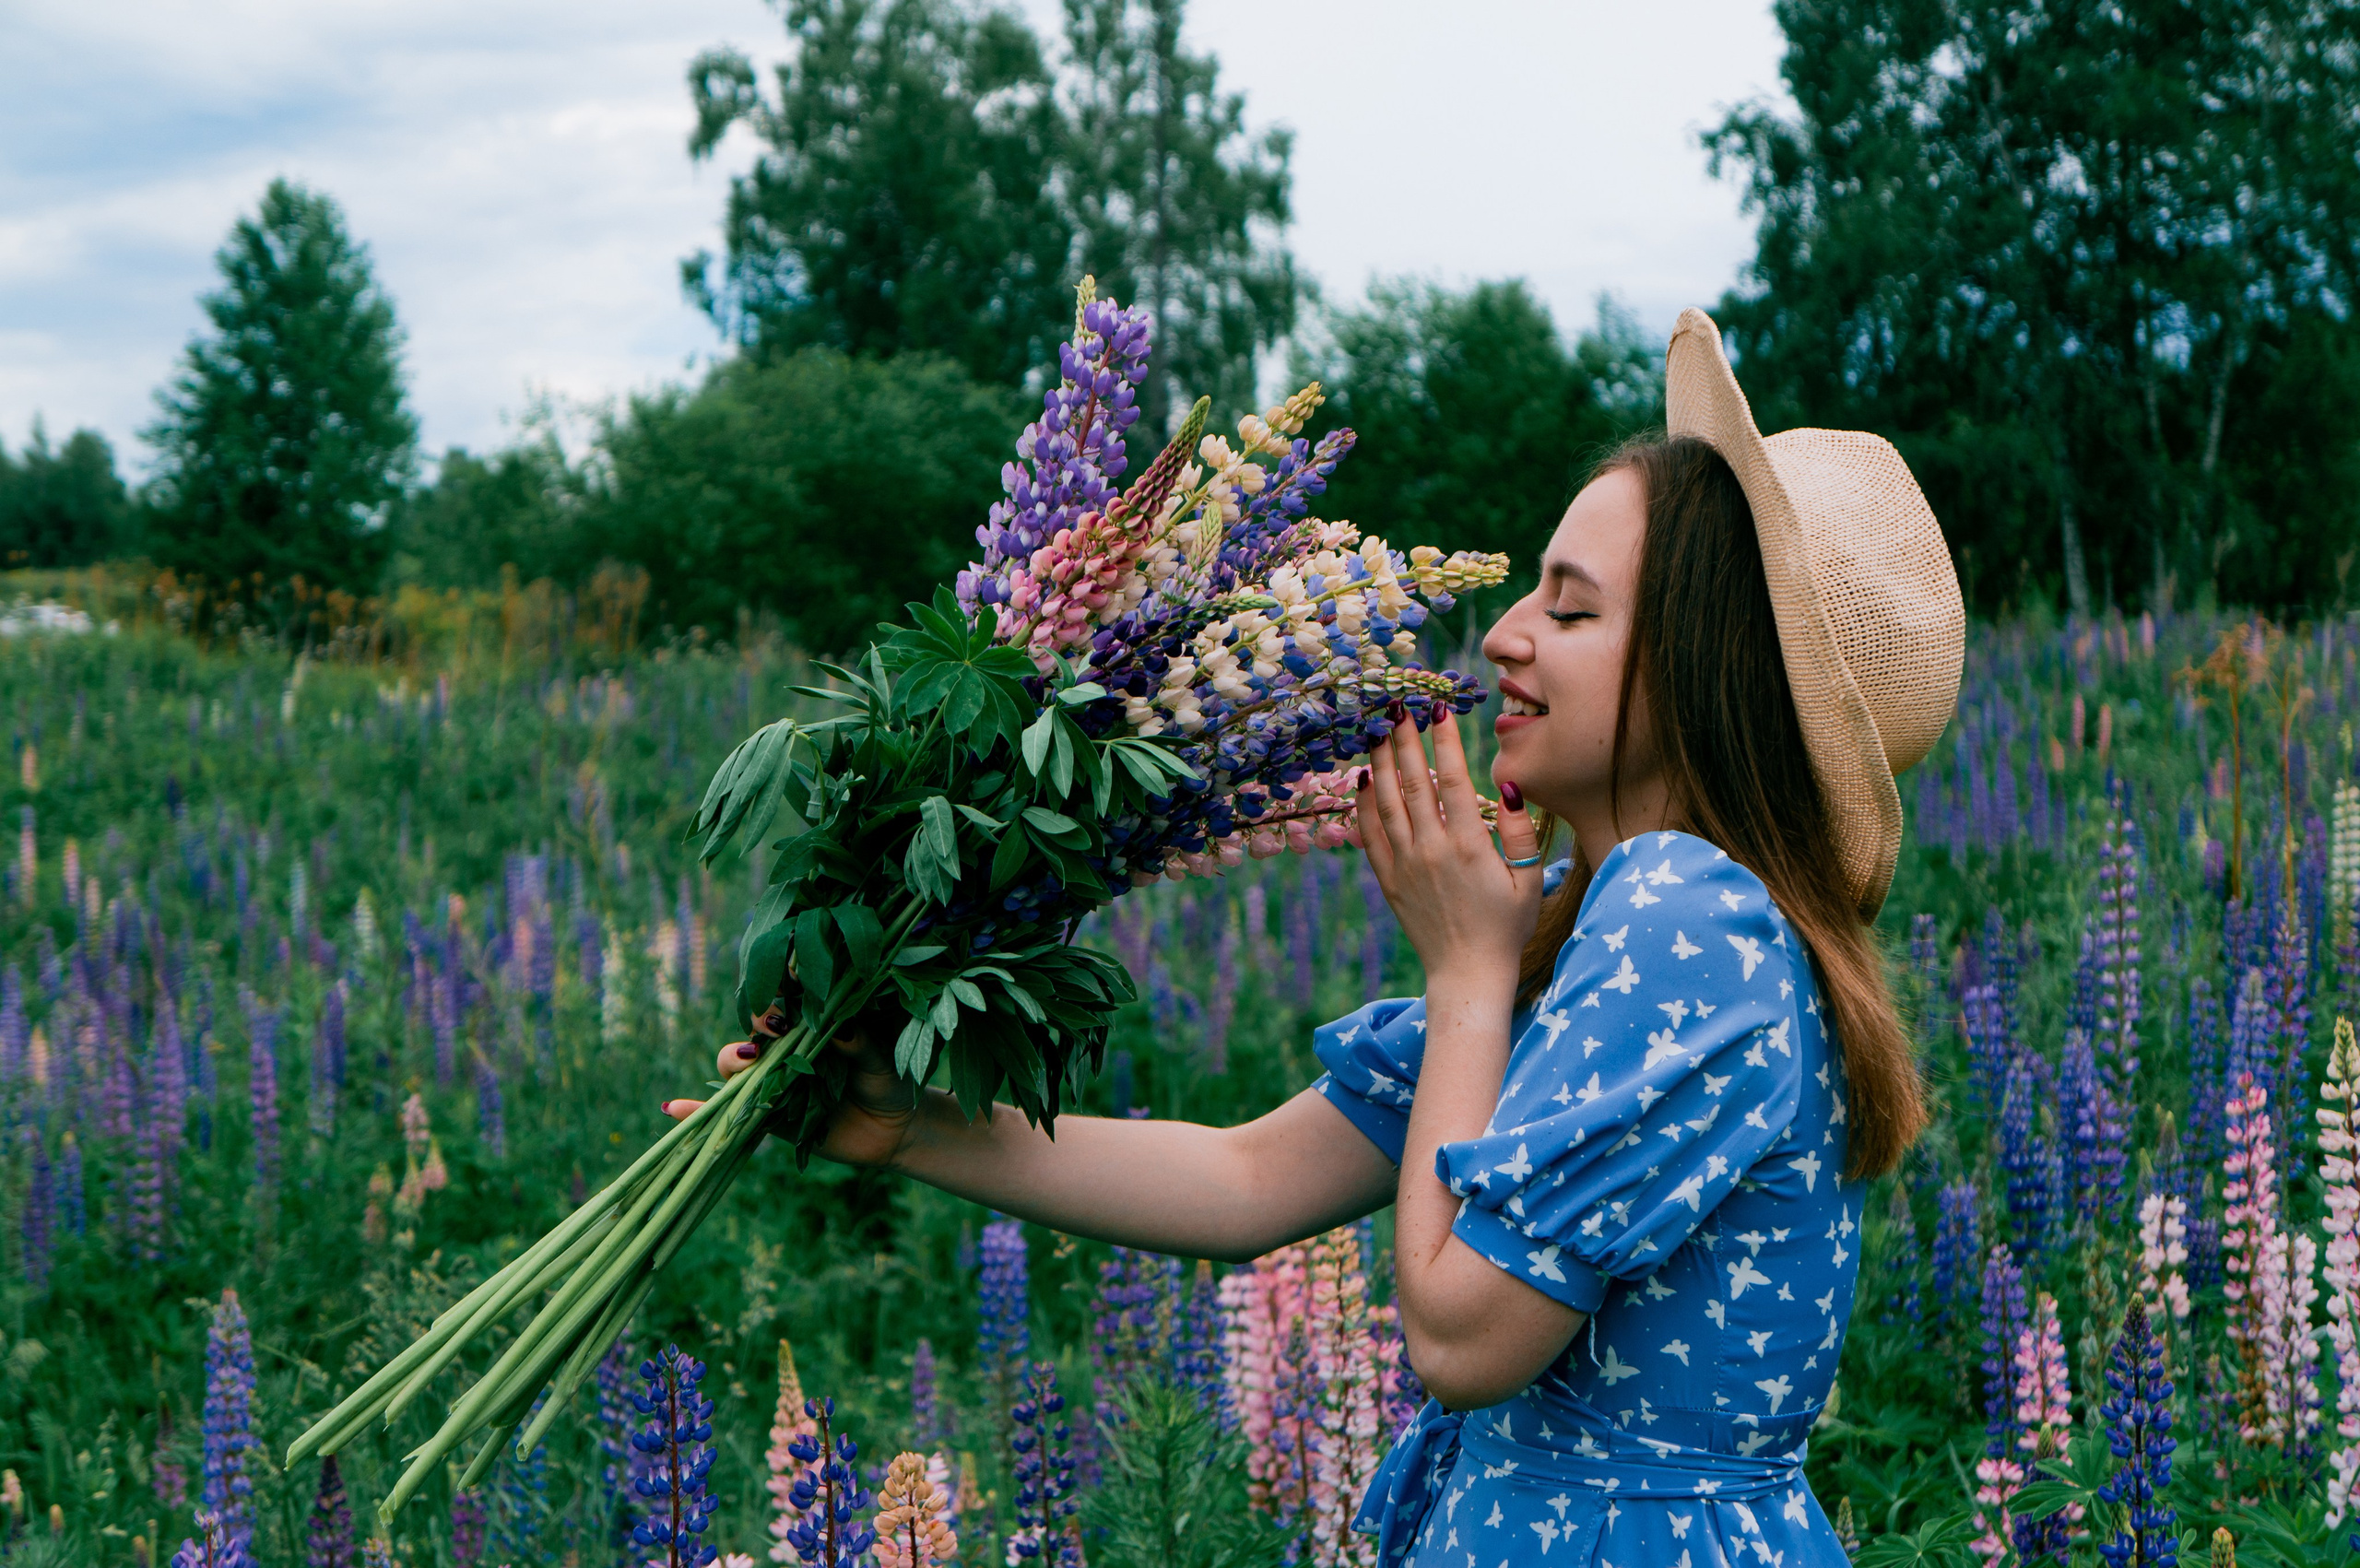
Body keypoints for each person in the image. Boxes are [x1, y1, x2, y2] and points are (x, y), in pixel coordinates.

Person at [665, 308, 1965, 1565]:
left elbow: (1460, 1339)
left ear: (1703, 665)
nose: (1504, 633)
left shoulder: (1691, 917)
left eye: (1571, 611)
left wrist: (1463, 976)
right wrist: (916, 1126)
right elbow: (1248, 1184)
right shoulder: (1608, 941)